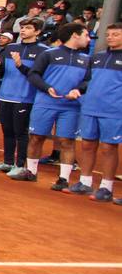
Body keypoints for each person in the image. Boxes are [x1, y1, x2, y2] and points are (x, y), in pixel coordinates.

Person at [14, 23, 92, 189]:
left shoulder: (86, 59)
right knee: (36, 137)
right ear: (75, 35)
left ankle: (63, 179)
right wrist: (46, 88)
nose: (89, 39)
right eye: (86, 35)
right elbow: (34, 75)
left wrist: (78, 90)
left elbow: (88, 81)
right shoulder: (49, 54)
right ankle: (31, 172)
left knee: (67, 141)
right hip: (45, 103)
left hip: (71, 106)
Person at [0, 18, 47, 177]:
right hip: (5, 95)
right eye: (22, 27)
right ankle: (8, 162)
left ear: (37, 31)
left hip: (25, 97)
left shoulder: (43, 51)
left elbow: (36, 76)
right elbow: (2, 72)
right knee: (7, 131)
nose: (23, 30)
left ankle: (20, 165)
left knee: (21, 132)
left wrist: (20, 65)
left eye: (28, 28)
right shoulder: (11, 47)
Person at [71, 22, 122, 201]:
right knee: (87, 144)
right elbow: (88, 80)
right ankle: (85, 182)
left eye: (115, 34)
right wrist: (79, 90)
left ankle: (106, 188)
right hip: (90, 107)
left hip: (114, 110)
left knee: (108, 147)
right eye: (108, 35)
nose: (110, 38)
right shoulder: (97, 57)